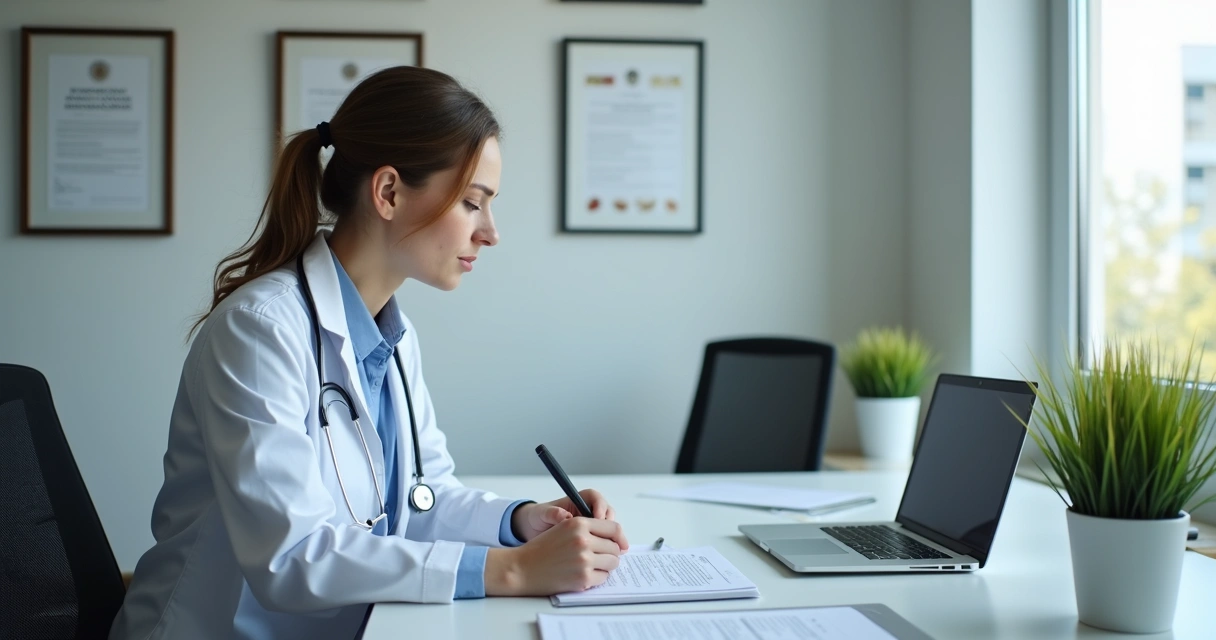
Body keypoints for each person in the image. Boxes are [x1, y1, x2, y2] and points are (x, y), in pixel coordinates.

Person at [110, 66, 629, 640]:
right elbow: (293, 557)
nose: (490, 233)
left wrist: (520, 521)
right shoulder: (259, 331)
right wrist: (508, 570)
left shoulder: (390, 337)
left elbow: (422, 499)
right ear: (387, 192)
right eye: (472, 203)